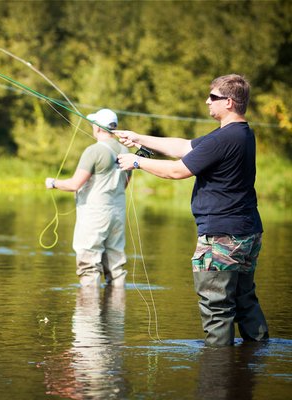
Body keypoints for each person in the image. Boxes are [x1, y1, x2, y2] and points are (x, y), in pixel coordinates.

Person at [115, 74, 269, 346]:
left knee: (217, 309)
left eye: (213, 97)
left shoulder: (224, 139)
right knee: (245, 301)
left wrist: (137, 162)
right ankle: (256, 362)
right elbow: (184, 147)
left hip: (222, 236)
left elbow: (177, 170)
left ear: (229, 102)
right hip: (247, 232)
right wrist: (139, 137)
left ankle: (218, 375)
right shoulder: (241, 134)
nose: (207, 101)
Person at [45, 109, 131, 288]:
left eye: (93, 124)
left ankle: (88, 313)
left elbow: (74, 184)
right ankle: (115, 313)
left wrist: (53, 183)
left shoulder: (94, 151)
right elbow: (124, 184)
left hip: (95, 214)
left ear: (98, 128)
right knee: (115, 265)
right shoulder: (125, 150)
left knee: (89, 264)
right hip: (118, 212)